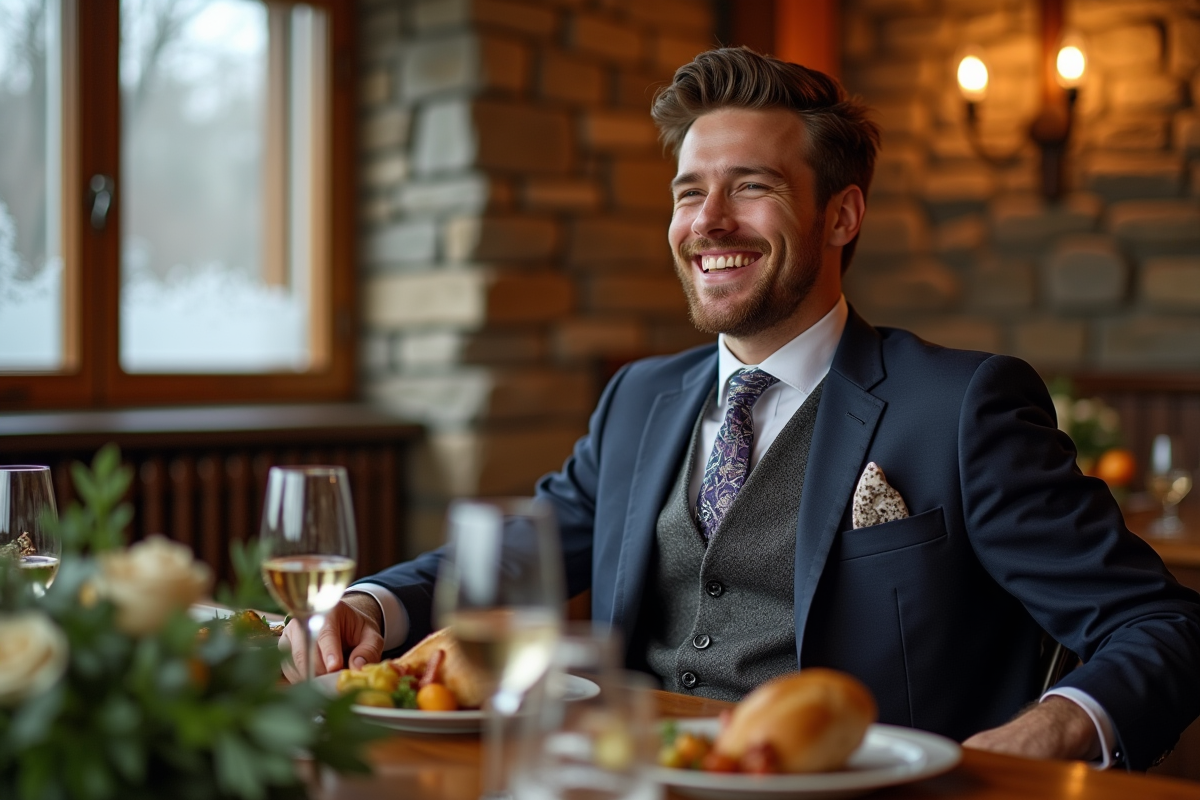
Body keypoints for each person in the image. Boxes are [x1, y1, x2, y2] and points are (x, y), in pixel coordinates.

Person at [281, 47, 1200, 770]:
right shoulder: (639, 397)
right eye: (689, 193)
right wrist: (374, 606)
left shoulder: (962, 405)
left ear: (842, 217)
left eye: (751, 187)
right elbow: (521, 548)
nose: (708, 222)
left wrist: (1051, 729)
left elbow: (1163, 626)